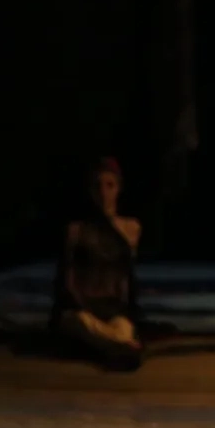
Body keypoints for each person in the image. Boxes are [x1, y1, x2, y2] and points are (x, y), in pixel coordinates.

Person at [51, 158, 144, 369]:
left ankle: (116, 347)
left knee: (122, 329)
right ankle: (123, 348)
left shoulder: (130, 228)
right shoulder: (76, 230)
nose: (103, 193)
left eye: (110, 185)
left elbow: (126, 277)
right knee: (81, 322)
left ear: (118, 189)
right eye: (97, 186)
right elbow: (67, 277)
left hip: (112, 311)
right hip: (83, 311)